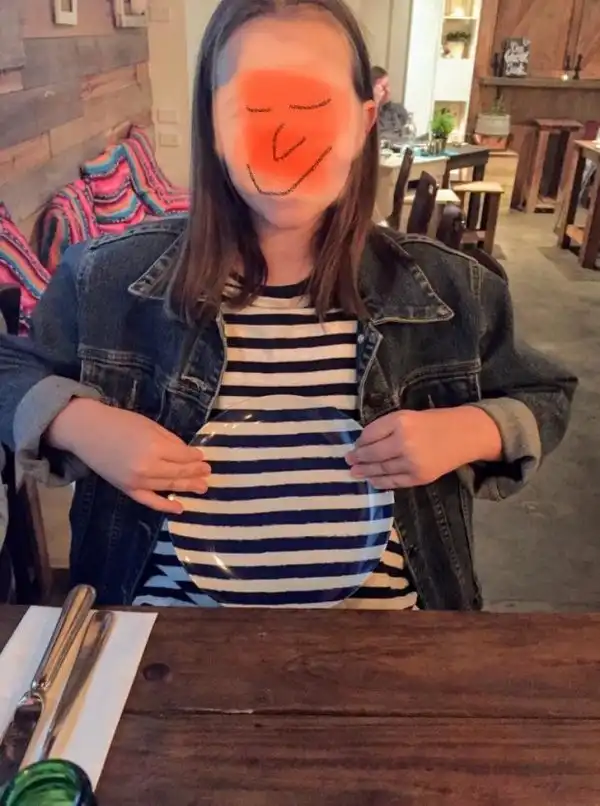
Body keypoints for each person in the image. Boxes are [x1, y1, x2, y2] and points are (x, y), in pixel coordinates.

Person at [0, 0, 575, 609]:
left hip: (387, 638)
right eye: (252, 109)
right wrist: (82, 424)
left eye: (314, 106)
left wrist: (470, 430)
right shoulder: (107, 279)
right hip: (163, 636)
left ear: (364, 120)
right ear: (213, 125)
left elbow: (547, 393)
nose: (283, 138)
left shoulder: (449, 288)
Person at [371, 65, 409, 142]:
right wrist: (375, 102)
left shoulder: (398, 111)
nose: (388, 91)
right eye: (383, 87)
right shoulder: (366, 114)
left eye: (388, 85)